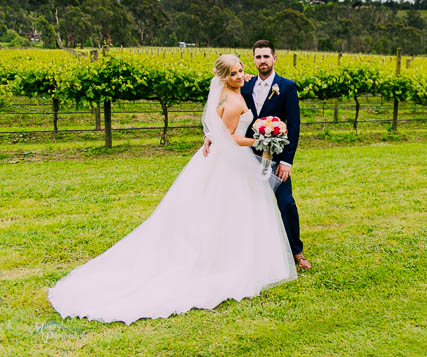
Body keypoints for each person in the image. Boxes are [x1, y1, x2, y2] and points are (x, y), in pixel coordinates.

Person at [48, 55, 296, 325]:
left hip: (219, 161)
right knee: (229, 210)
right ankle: (226, 262)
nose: (241, 76)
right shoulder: (234, 101)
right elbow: (229, 136)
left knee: (223, 210)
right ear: (225, 77)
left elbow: (219, 117)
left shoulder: (225, 92)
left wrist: (239, 85)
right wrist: (261, 138)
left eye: (242, 71)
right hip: (232, 161)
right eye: (235, 73)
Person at [204, 40, 311, 270]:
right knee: (249, 206)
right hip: (245, 157)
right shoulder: (243, 84)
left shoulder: (287, 87)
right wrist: (211, 134)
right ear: (253, 59)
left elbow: (294, 127)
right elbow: (222, 111)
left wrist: (286, 161)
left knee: (286, 203)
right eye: (258, 57)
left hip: (275, 159)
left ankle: (297, 252)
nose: (262, 61)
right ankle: (254, 253)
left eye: (266, 56)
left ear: (274, 58)